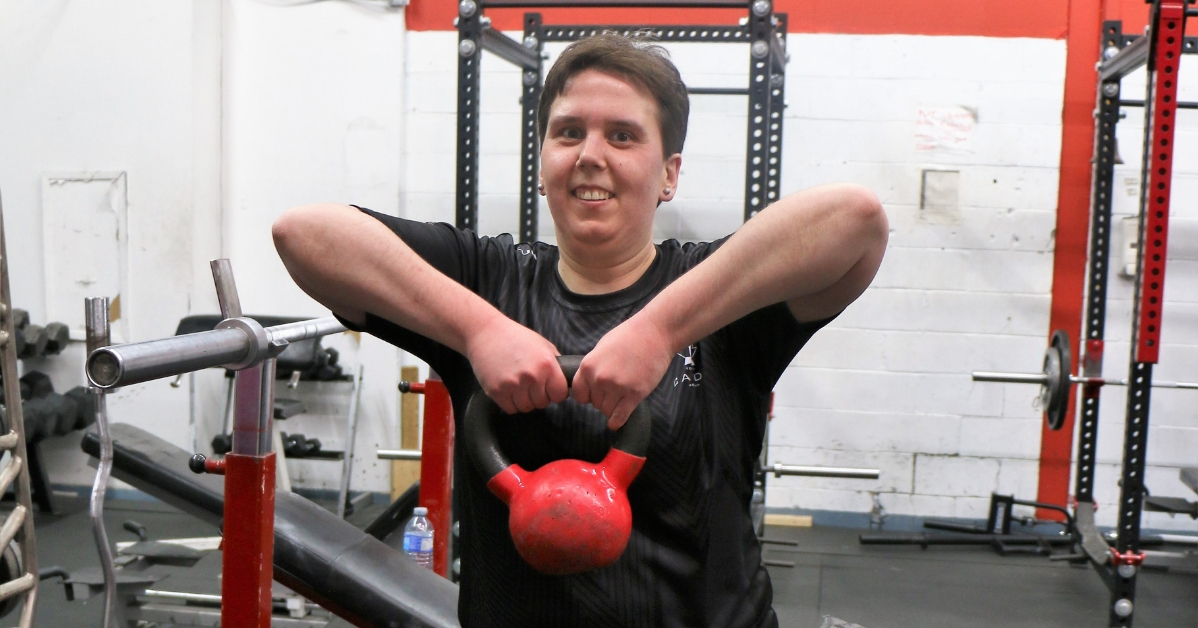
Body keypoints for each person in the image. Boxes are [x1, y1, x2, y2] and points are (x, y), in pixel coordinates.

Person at [273, 33, 887, 628]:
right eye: (570, 133)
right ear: (542, 163)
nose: (591, 155)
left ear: (669, 174)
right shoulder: (487, 280)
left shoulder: (714, 294)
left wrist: (660, 331)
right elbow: (304, 235)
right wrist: (480, 330)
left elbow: (856, 221)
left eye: (622, 136)